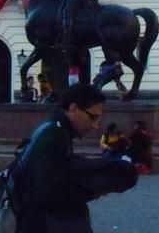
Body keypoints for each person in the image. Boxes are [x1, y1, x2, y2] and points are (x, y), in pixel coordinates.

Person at [16, 83, 135, 233]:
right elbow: (49, 192)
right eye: (93, 117)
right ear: (73, 109)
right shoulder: (54, 134)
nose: (95, 125)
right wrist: (93, 190)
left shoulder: (56, 128)